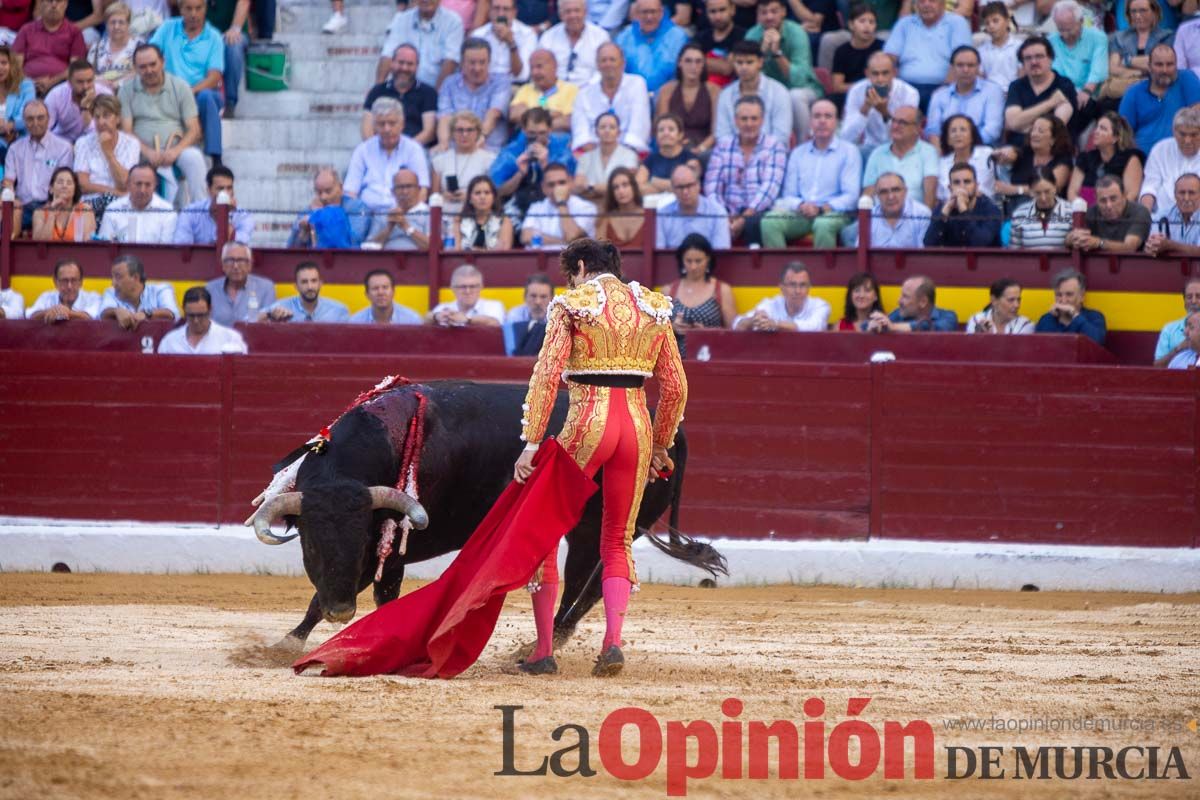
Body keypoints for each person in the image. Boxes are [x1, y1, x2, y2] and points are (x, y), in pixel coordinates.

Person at [513, 238, 686, 677]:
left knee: (545, 530)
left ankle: (544, 652)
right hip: (636, 425)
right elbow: (676, 387)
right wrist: (661, 442)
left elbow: (547, 375)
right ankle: (612, 643)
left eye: (572, 273)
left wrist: (533, 441)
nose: (571, 281)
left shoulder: (572, 303)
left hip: (588, 421)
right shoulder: (654, 306)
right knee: (617, 539)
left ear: (582, 266)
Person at [761, 98, 860, 248]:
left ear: (836, 122)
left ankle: (823, 272)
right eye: (817, 116)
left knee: (823, 224)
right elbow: (789, 194)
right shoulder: (798, 153)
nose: (822, 121)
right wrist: (801, 205)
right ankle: (783, 271)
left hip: (834, 213)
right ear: (810, 122)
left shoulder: (849, 152)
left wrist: (822, 208)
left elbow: (851, 197)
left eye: (828, 116)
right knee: (769, 221)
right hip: (802, 213)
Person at [118, 43, 206, 205]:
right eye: (143, 67)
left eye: (153, 64)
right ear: (135, 69)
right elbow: (127, 131)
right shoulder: (126, 90)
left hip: (176, 149)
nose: (149, 70)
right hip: (140, 151)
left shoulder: (180, 87)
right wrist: (148, 152)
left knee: (194, 158)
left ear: (163, 62)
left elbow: (194, 129)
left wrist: (175, 151)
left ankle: (199, 212)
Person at [149, 0, 225, 168]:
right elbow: (150, 55)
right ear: (180, 9)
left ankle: (216, 158)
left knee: (207, 97)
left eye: (198, 8)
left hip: (199, 93)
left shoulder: (214, 37)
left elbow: (214, 77)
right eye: (188, 8)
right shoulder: (168, 28)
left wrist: (188, 91)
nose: (193, 14)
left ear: (205, 9)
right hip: (168, 92)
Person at [705, 94, 787, 245]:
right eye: (744, 119)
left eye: (754, 118)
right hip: (728, 212)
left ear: (762, 120)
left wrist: (745, 217)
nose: (749, 124)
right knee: (708, 217)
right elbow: (712, 188)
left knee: (753, 222)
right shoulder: (723, 145)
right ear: (736, 121)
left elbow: (770, 188)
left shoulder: (774, 146)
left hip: (760, 211)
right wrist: (724, 216)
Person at [744, 0, 822, 140]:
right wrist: (760, 54)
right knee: (758, 96)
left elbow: (798, 80)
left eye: (774, 11)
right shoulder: (752, 36)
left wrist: (777, 53)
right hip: (769, 91)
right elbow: (748, 78)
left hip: (804, 89)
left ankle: (802, 146)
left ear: (783, 12)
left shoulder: (797, 32)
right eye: (764, 12)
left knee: (794, 96)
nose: (769, 17)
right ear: (758, 15)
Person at [490, 106, 575, 227]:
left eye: (542, 133)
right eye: (531, 133)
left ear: (550, 130)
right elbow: (498, 191)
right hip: (518, 204)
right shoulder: (510, 152)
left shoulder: (562, 149)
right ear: (523, 130)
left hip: (554, 204)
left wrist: (546, 165)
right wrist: (520, 173)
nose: (537, 138)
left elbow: (571, 188)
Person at [345, 97, 430, 215]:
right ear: (374, 126)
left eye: (392, 123)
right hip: (368, 215)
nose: (387, 129)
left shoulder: (414, 149)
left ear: (402, 124)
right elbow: (350, 192)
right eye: (381, 124)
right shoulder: (363, 150)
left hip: (403, 214)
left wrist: (404, 215)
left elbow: (422, 191)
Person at [883, 0, 971, 111]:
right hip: (905, 88)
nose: (926, 4)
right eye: (922, 1)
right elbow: (888, 58)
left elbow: (962, 58)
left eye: (932, 1)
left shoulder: (957, 22)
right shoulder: (904, 24)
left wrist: (944, 91)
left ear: (943, 4)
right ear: (916, 5)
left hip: (942, 88)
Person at [1119, 45, 1200, 160]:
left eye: (1170, 64)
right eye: (1159, 65)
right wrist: (1138, 159)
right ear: (1149, 67)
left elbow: (1197, 120)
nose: (1165, 70)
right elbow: (1123, 133)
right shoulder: (1134, 92)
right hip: (1145, 160)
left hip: (1184, 156)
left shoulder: (1187, 79)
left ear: (1176, 65)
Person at [569, 43, 651, 153]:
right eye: (603, 60)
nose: (608, 64)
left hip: (630, 153)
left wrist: (617, 156)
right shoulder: (583, 94)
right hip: (593, 155)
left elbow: (638, 131)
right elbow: (581, 135)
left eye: (612, 60)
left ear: (623, 63)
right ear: (597, 65)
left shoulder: (637, 84)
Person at [3, 98, 71, 230]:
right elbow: (8, 181)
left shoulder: (63, 148)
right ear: (24, 121)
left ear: (48, 119)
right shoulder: (15, 148)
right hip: (22, 206)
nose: (35, 123)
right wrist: (11, 197)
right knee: (11, 211)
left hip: (51, 204)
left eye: (40, 118)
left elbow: (65, 183)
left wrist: (52, 203)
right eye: (30, 119)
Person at [435, 38, 511, 151]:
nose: (477, 68)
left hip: (489, 149)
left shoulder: (501, 82)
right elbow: (445, 118)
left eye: (482, 62)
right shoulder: (449, 83)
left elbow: (493, 114)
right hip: (456, 149)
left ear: (489, 62)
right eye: (472, 63)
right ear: (462, 63)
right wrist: (443, 143)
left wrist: (480, 138)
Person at [840, 50, 920, 155]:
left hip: (900, 149)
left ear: (894, 73)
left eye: (885, 73)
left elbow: (905, 135)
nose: (880, 79)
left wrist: (884, 113)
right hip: (870, 148)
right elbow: (846, 137)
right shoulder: (856, 91)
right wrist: (865, 109)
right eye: (875, 74)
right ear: (867, 73)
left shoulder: (909, 93)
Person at [1004, 36, 1077, 149]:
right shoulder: (1016, 86)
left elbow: (1055, 128)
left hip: (1052, 151)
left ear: (1050, 59)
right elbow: (1013, 122)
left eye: (1039, 56)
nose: (1034, 62)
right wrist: (1051, 103)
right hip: (1017, 150)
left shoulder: (1064, 85)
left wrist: (1021, 123)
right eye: (1028, 58)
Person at [925, 46, 1005, 149]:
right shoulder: (939, 95)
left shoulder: (993, 91)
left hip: (981, 149)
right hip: (946, 151)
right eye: (960, 65)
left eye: (970, 65)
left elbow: (992, 131)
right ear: (952, 68)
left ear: (978, 67)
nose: (965, 70)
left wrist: (962, 145)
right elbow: (933, 130)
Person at [862, 105, 939, 211]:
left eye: (902, 122)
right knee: (851, 228)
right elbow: (868, 195)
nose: (895, 126)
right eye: (893, 121)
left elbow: (930, 195)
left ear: (917, 128)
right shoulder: (877, 153)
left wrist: (924, 223)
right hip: (879, 217)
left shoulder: (928, 152)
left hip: (914, 218)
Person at [714, 40, 791, 145]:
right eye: (739, 62)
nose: (744, 67)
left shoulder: (779, 92)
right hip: (732, 154)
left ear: (760, 62)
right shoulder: (725, 95)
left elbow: (781, 136)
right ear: (733, 63)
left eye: (749, 62)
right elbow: (722, 134)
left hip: (771, 154)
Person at [993, 114, 1073, 213]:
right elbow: (1010, 154)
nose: (1034, 134)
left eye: (1040, 131)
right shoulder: (1024, 153)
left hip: (1048, 211)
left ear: (1053, 139)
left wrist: (1015, 190)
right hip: (1015, 208)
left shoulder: (1063, 160)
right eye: (1033, 129)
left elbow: (1053, 187)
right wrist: (1001, 154)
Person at [362, 44, 438, 146]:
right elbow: (367, 130)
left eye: (410, 64)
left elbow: (429, 132)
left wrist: (404, 150)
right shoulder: (377, 92)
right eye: (400, 62)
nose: (404, 68)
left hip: (416, 150)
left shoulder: (428, 93)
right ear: (392, 63)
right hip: (381, 150)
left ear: (417, 66)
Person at [378, 0, 464, 90]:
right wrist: (378, 89)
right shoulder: (401, 19)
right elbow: (387, 55)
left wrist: (435, 96)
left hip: (436, 90)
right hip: (404, 89)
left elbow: (450, 62)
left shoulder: (453, 22)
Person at [653, 43, 719, 157]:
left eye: (698, 61)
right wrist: (677, 146)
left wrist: (701, 148)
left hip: (704, 149)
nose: (693, 66)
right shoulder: (666, 90)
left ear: (703, 65)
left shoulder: (714, 91)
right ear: (680, 63)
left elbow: (716, 131)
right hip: (672, 145)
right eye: (688, 61)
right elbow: (662, 126)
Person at [1068, 111, 1145, 206]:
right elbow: (1072, 192)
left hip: (1117, 215)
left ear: (1115, 137)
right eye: (1097, 127)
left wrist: (1112, 212)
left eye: (1103, 129)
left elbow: (1132, 194)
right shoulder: (1085, 158)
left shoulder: (1130, 159)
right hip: (1084, 212)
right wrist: (1081, 208)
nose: (1096, 131)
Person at [73, 94, 138, 206]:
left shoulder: (131, 144)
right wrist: (114, 193)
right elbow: (82, 185)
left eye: (106, 116)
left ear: (118, 118)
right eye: (97, 117)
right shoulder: (83, 143)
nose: (101, 122)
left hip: (121, 204)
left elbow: (124, 184)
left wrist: (108, 153)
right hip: (91, 203)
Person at [431, 109, 497, 218]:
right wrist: (444, 195)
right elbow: (434, 196)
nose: (464, 134)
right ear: (452, 133)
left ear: (477, 133)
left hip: (476, 214)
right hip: (446, 213)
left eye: (470, 130)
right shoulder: (439, 160)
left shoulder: (489, 160)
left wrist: (470, 197)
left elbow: (493, 195)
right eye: (459, 130)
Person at [614, 0, 689, 95]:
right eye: (645, 12)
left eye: (653, 12)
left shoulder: (678, 37)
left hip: (669, 96)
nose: (649, 17)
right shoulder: (623, 38)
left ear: (661, 12)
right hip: (632, 96)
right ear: (636, 14)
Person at [12, 0, 85, 95]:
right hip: (25, 85)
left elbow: (75, 67)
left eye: (59, 1)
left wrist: (52, 81)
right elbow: (15, 65)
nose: (54, 5)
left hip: (62, 86)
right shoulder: (26, 30)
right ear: (41, 4)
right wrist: (30, 82)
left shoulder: (74, 32)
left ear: (66, 4)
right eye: (49, 1)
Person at [288, 167, 371, 249]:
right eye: (319, 192)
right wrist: (302, 232)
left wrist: (322, 215)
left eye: (328, 191)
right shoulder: (310, 210)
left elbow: (353, 241)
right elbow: (291, 248)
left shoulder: (357, 207)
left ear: (341, 188)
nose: (323, 197)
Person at [845, 171, 933, 248]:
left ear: (905, 191)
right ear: (877, 195)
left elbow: (923, 255)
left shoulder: (922, 214)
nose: (890, 197)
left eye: (896, 190)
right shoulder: (869, 217)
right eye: (884, 192)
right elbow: (861, 253)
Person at [667, 233, 736, 331]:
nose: (693, 267)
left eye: (698, 261)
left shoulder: (722, 290)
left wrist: (707, 332)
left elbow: (734, 331)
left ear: (708, 259)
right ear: (682, 260)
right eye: (689, 261)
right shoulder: (668, 291)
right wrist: (672, 328)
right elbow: (656, 333)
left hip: (711, 345)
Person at [733, 262, 829, 331]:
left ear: (809, 287)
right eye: (792, 285)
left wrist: (776, 324)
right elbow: (736, 324)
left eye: (803, 285)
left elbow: (815, 326)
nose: (798, 291)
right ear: (782, 288)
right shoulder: (770, 304)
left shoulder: (820, 305)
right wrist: (753, 320)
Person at [924, 162, 1003, 247]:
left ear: (976, 186)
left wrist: (963, 210)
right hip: (953, 259)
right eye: (956, 182)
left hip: (985, 260)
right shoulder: (943, 209)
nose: (962, 186)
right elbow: (928, 243)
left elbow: (980, 243)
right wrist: (944, 213)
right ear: (950, 188)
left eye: (967, 182)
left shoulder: (991, 210)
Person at [1140, 106, 1200, 216]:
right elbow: (1149, 188)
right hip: (1161, 218)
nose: (1187, 140)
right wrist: (1145, 217)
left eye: (1193, 135)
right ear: (1174, 131)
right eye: (1182, 134)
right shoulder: (1160, 149)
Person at [521, 161, 596, 249]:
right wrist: (563, 242)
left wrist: (561, 203)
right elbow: (526, 236)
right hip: (540, 260)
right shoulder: (536, 207)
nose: (557, 188)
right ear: (543, 188)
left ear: (571, 183)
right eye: (551, 185)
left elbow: (571, 236)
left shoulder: (586, 207)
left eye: (562, 183)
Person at [173, 165, 254, 245]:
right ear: (209, 190)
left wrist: (225, 216)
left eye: (229, 188)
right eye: (220, 188)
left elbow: (237, 248)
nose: (225, 193)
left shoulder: (243, 216)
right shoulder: (190, 213)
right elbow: (181, 247)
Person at [1067, 175, 1151, 252]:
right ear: (1096, 200)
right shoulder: (1091, 212)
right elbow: (1067, 240)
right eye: (1103, 201)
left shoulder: (1140, 212)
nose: (1109, 205)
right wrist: (1072, 239)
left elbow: (1130, 247)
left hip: (1132, 265)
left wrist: (1099, 243)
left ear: (1124, 195)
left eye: (1113, 199)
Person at [655, 163, 731, 248]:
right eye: (680, 187)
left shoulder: (717, 212)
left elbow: (721, 253)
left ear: (698, 185)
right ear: (673, 189)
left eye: (689, 186)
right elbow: (659, 254)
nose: (685, 192)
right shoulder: (662, 215)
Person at [96, 161, 175, 242]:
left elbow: (166, 251)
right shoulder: (112, 209)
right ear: (128, 184)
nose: (142, 190)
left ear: (155, 186)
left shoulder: (167, 212)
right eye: (138, 184)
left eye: (147, 185)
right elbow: (105, 246)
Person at [157, 286, 248, 355]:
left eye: (201, 315)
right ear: (184, 312)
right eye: (191, 315)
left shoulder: (230, 338)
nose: (196, 320)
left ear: (210, 310)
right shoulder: (170, 341)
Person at [537, 0, 609, 86]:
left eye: (577, 10)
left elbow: (603, 70)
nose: (573, 15)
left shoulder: (600, 36)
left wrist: (586, 90)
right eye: (568, 11)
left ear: (585, 12)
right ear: (560, 15)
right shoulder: (548, 37)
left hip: (590, 92)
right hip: (554, 92)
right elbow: (541, 67)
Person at [98, 253, 178, 329]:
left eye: (118, 277)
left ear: (135, 277)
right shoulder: (111, 292)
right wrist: (116, 311)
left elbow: (172, 314)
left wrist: (146, 314)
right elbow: (102, 314)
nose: (113, 283)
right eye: (112, 277)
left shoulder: (161, 290)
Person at [204, 241, 275, 326]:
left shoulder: (265, 288)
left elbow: (268, 324)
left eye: (241, 260)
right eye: (230, 260)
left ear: (249, 264)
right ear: (222, 265)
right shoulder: (210, 289)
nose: (235, 266)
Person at [573, 111, 638, 203]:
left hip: (618, 206)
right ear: (596, 132)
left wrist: (590, 187)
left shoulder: (630, 155)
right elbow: (578, 187)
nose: (607, 130)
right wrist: (606, 188)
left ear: (618, 132)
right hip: (590, 205)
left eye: (612, 127)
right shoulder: (585, 158)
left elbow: (625, 188)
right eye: (603, 127)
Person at [830, 4, 884, 112]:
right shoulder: (842, 51)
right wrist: (861, 88)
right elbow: (837, 86)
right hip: (849, 93)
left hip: (877, 92)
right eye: (862, 21)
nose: (867, 26)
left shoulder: (882, 48)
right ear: (851, 25)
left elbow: (886, 79)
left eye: (871, 22)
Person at [636, 114, 701, 203]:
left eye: (671, 129)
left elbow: (689, 187)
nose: (666, 133)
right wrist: (672, 188)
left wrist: (654, 181)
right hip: (655, 206)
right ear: (656, 136)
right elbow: (638, 188)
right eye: (661, 130)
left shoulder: (691, 159)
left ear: (680, 135)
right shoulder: (650, 159)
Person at [508, 49, 576, 133]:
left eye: (539, 66)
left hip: (558, 140)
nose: (534, 72)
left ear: (554, 66)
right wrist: (551, 114)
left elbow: (568, 121)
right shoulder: (525, 89)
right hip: (528, 139)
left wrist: (532, 121)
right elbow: (515, 114)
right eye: (532, 68)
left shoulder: (571, 90)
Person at [44, 58, 110, 144]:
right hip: (62, 142)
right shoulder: (55, 95)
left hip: (93, 143)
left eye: (89, 81)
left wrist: (85, 109)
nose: (85, 86)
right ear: (69, 82)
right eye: (80, 82)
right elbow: (44, 129)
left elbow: (103, 133)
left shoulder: (105, 94)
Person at [1033, 267, 1106, 345]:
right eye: (1059, 295)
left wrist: (1074, 315)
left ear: (1082, 296)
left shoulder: (1094, 317)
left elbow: (1097, 342)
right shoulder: (1046, 320)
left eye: (1069, 294)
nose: (1063, 300)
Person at [470, 0, 536, 83]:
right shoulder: (478, 35)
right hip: (484, 86)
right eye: (496, 8)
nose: (500, 14)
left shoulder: (527, 34)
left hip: (514, 87)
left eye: (506, 9)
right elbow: (472, 72)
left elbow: (521, 76)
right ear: (490, 10)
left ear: (514, 12)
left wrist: (511, 43)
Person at [261, 262, 350, 323]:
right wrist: (269, 315)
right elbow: (251, 320)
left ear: (320, 284)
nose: (310, 287)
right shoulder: (281, 307)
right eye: (304, 282)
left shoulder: (338, 310)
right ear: (296, 286)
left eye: (314, 281)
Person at [935, 114, 995, 206]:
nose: (958, 134)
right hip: (952, 210)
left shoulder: (986, 154)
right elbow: (941, 196)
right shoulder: (942, 163)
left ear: (972, 136)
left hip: (984, 210)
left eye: (963, 129)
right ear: (947, 139)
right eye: (953, 131)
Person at [1010, 166, 1074, 248]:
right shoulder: (1019, 214)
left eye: (1047, 191)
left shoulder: (1071, 212)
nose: (1043, 198)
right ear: (1030, 191)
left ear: (1055, 187)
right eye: (1037, 193)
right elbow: (1015, 251)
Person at [367, 168, 431, 250]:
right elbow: (368, 248)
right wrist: (389, 228)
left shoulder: (430, 213)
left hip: (416, 261)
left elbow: (434, 247)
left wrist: (406, 227)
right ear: (392, 191)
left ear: (419, 189)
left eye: (409, 186)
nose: (405, 192)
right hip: (386, 260)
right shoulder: (382, 214)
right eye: (400, 187)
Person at [869, 275, 958, 333]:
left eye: (905, 296)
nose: (899, 301)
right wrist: (875, 325)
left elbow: (932, 326)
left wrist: (894, 327)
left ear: (923, 302)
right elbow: (866, 325)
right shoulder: (899, 314)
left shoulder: (948, 317)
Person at [426, 262, 504, 326]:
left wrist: (466, 319)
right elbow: (426, 320)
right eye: (462, 287)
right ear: (452, 288)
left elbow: (494, 323)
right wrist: (436, 317)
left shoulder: (493, 305)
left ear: (481, 287)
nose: (468, 291)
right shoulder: (444, 307)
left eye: (473, 286)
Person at [26, 257, 100, 322]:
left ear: (81, 282)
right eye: (64, 281)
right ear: (55, 282)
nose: (69, 286)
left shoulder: (92, 298)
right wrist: (49, 312)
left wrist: (67, 313)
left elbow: (91, 316)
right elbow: (31, 315)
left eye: (74, 280)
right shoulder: (46, 297)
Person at [692, 0, 746, 89]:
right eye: (713, 11)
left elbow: (727, 69)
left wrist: (700, 61)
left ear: (732, 10)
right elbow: (690, 65)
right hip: (702, 91)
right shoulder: (700, 37)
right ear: (707, 13)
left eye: (722, 10)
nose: (718, 17)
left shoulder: (742, 36)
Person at [31, 164, 93, 240]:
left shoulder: (85, 210)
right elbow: (40, 243)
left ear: (75, 190)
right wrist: (52, 214)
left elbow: (88, 244)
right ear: (51, 189)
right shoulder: (40, 213)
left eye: (69, 183)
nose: (64, 186)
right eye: (60, 182)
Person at [88, 2, 139, 92]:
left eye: (121, 22)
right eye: (112, 22)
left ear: (128, 24)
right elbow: (87, 73)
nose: (116, 26)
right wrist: (99, 81)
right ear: (106, 24)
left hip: (129, 94)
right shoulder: (96, 47)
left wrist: (118, 83)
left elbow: (140, 72)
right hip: (101, 96)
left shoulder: (139, 46)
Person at [452, 174, 513, 249]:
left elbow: (503, 251)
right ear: (470, 199)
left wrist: (477, 251)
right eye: (478, 193)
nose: (482, 197)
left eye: (487, 193)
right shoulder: (459, 221)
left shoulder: (504, 221)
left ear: (493, 198)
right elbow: (456, 250)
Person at [1146, 174, 1200, 257]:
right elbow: (1152, 245)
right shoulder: (1161, 216)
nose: (1186, 198)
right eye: (1182, 193)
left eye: (1191, 193)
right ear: (1174, 195)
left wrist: (1171, 245)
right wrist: (1153, 246)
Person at [1152, 277, 1200, 366]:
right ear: (1184, 301)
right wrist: (1179, 348)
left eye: (1198, 296)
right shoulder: (1169, 329)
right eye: (1189, 297)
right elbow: (1157, 367)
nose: (1193, 301)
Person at [349, 269, 423, 325]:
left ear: (393, 291)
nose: (381, 292)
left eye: (385, 287)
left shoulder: (412, 320)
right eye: (375, 288)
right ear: (367, 294)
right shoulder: (355, 322)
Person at [504, 271, 553, 355]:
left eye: (543, 297)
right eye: (533, 296)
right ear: (525, 297)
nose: (538, 302)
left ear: (552, 299)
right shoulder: (515, 314)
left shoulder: (559, 316)